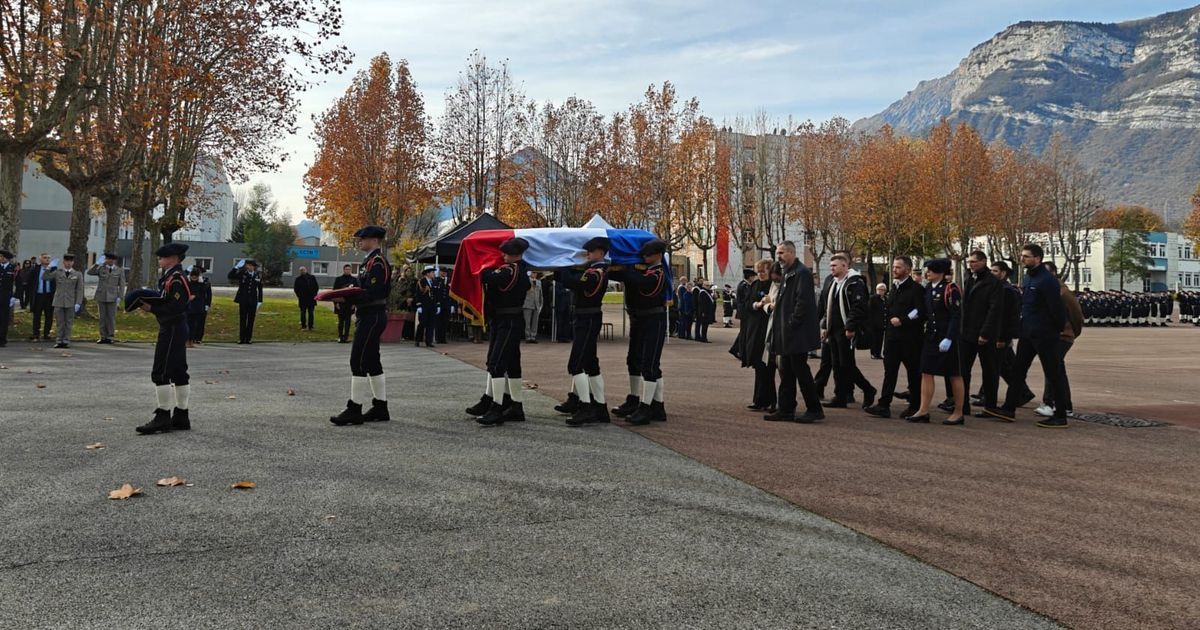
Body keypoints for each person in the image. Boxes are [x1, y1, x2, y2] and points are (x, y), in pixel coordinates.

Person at [985, 244, 1071, 428]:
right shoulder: (1028, 277)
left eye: (1026, 256)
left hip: (1045, 334)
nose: (1022, 259)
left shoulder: (1047, 280)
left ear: (1037, 258)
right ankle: (1009, 408)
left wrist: (1054, 331)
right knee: (1017, 371)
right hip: (1028, 333)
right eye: (1022, 256)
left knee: (1053, 374)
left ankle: (1061, 414)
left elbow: (1057, 310)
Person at [329, 226, 393, 426]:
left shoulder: (378, 262)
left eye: (362, 239)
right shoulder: (369, 262)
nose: (359, 242)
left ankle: (354, 408)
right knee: (372, 360)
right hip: (368, 314)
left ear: (374, 240)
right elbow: (362, 289)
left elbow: (374, 292)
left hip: (373, 315)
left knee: (358, 360)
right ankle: (380, 407)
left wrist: (350, 295)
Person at [132, 242, 194, 435]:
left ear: (172, 259)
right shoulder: (171, 276)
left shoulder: (176, 278)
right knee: (178, 370)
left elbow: (176, 307)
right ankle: (181, 415)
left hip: (173, 327)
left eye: (161, 257)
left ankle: (163, 415)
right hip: (175, 327)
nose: (159, 260)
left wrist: (152, 308)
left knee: (161, 370)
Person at [763, 241, 824, 423]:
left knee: (801, 372)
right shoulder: (788, 273)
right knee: (786, 372)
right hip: (786, 332)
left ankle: (814, 409)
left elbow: (802, 303)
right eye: (777, 253)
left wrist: (791, 323)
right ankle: (786, 409)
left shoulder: (802, 273)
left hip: (796, 333)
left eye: (781, 253)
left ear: (791, 252)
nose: (778, 257)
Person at [553, 236, 611, 426]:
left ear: (601, 253)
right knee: (590, 364)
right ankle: (600, 408)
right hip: (586, 318)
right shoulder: (594, 270)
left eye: (590, 251)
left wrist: (564, 263)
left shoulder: (596, 272)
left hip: (588, 319)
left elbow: (573, 282)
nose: (587, 254)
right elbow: (569, 280)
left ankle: (586, 407)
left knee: (576, 364)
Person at [475, 237, 532, 426]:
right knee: (512, 364)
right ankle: (516, 406)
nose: (502, 256)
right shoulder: (516, 269)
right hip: (505, 320)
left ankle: (497, 407)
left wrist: (486, 264)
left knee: (496, 363)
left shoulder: (512, 270)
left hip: (508, 321)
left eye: (505, 253)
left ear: (513, 254)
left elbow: (487, 277)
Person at [614, 238, 670, 426]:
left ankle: (647, 407)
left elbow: (641, 282)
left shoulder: (659, 273)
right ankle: (642, 401)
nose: (644, 257)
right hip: (638, 319)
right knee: (634, 360)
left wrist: (627, 268)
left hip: (653, 320)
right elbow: (627, 277)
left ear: (658, 255)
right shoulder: (642, 270)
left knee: (650, 365)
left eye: (648, 254)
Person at [903, 259, 965, 425]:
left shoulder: (950, 289)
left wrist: (950, 338)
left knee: (954, 374)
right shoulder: (929, 288)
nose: (926, 273)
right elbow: (926, 310)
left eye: (930, 270)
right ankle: (923, 410)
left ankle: (959, 412)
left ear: (940, 272)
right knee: (926, 372)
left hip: (947, 338)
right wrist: (916, 312)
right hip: (931, 336)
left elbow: (956, 316)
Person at [865, 256, 925, 419]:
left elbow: (920, 312)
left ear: (907, 269)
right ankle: (884, 405)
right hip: (892, 339)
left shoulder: (916, 289)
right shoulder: (894, 288)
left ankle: (915, 405)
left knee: (913, 373)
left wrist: (904, 320)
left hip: (910, 339)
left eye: (898, 267)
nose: (894, 269)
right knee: (889, 372)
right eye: (894, 267)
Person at [817, 254, 876, 409]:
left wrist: (850, 327)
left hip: (845, 329)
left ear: (845, 266)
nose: (832, 268)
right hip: (833, 329)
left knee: (847, 364)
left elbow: (858, 307)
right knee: (836, 364)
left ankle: (868, 389)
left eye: (835, 266)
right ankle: (840, 396)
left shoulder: (855, 282)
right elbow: (826, 305)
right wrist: (824, 325)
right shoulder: (832, 282)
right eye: (831, 266)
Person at [1034, 261, 1083, 419]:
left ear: (1053, 274)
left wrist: (1070, 332)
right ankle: (1065, 405)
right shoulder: (1044, 290)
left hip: (1062, 336)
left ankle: (1050, 403)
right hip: (1048, 334)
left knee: (1052, 369)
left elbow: (1076, 315)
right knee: (1058, 371)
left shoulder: (1063, 292)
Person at [958, 250, 1004, 417]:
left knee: (990, 371)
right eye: (969, 262)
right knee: (963, 370)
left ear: (984, 262)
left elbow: (994, 310)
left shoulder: (993, 282)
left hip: (985, 334)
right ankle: (962, 404)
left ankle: (990, 406)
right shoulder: (969, 278)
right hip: (967, 332)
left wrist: (985, 333)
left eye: (974, 262)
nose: (971, 265)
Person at [740, 259, 776, 412]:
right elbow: (747, 304)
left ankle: (771, 400)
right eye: (758, 272)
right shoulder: (754, 285)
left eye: (763, 272)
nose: (760, 275)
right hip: (755, 329)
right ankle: (759, 399)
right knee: (759, 366)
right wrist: (757, 305)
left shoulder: (773, 286)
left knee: (768, 367)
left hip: (768, 327)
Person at [87, 252, 126, 344]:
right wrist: (97, 264)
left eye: (112, 259)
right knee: (102, 317)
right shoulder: (101, 268)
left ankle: (110, 336)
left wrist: (120, 297)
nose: (110, 261)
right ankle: (103, 336)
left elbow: (122, 284)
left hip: (113, 296)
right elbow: (90, 272)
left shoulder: (119, 270)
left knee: (111, 318)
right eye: (108, 259)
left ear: (114, 260)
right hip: (101, 295)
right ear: (106, 259)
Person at [48, 254, 85, 349]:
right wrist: (49, 267)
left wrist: (78, 303)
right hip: (59, 301)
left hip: (71, 302)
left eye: (70, 261)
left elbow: (80, 289)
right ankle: (59, 340)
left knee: (68, 322)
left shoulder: (77, 274)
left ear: (73, 262)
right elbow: (45, 278)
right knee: (59, 323)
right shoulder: (58, 272)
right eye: (66, 261)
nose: (68, 263)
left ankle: (66, 340)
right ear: (63, 262)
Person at [228, 259, 263, 344]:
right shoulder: (242, 274)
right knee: (243, 319)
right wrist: (236, 267)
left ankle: (248, 338)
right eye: (248, 265)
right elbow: (230, 276)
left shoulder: (257, 275)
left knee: (251, 320)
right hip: (243, 300)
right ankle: (242, 338)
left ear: (254, 267)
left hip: (253, 300)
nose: (249, 267)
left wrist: (260, 301)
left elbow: (260, 289)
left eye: (251, 266)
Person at [29, 253, 55, 341]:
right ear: (40, 259)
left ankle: (46, 333)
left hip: (49, 295)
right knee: (37, 315)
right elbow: (30, 282)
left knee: (49, 315)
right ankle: (36, 334)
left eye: (48, 258)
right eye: (45, 258)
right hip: (38, 295)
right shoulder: (35, 269)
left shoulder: (53, 270)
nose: (47, 259)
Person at [332, 264, 358, 343]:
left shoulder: (354, 280)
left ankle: (346, 336)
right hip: (340, 303)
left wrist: (354, 304)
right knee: (341, 321)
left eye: (349, 269)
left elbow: (356, 293)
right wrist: (336, 303)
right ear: (343, 270)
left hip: (350, 303)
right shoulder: (338, 279)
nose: (348, 271)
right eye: (346, 269)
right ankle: (340, 336)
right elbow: (334, 292)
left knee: (348, 321)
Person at [186, 267, 211, 347]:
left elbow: (205, 293)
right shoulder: (188, 282)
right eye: (192, 277)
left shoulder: (203, 283)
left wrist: (201, 282)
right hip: (189, 306)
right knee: (188, 324)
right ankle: (187, 340)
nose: (194, 278)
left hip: (198, 306)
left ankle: (192, 340)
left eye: (195, 277)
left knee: (195, 325)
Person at [415, 266, 437, 347]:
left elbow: (436, 294)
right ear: (427, 273)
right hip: (424, 306)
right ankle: (418, 340)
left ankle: (429, 341)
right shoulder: (421, 282)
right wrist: (419, 305)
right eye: (432, 272)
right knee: (422, 323)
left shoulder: (434, 282)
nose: (434, 274)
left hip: (432, 306)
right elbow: (418, 294)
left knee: (431, 324)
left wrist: (437, 305)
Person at [293, 266, 319, 330]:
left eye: (303, 270)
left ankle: (311, 326)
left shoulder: (312, 278)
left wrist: (314, 295)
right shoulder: (298, 279)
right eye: (301, 270)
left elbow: (316, 287)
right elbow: (296, 289)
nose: (302, 271)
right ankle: (303, 325)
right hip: (303, 299)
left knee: (311, 312)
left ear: (306, 270)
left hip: (311, 298)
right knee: (303, 312)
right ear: (300, 271)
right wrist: (300, 296)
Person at [0, 249, 17, 347]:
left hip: (6, 297)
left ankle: (2, 339)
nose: (0, 258)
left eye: (2, 257)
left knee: (4, 318)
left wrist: (14, 297)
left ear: (7, 258)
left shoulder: (13, 269)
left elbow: (17, 283)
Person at [523, 271, 543, 343]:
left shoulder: (539, 282)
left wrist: (541, 304)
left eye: (536, 273)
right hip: (528, 304)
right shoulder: (527, 281)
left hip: (536, 304)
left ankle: (533, 336)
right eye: (533, 272)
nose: (535, 274)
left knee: (535, 322)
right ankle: (528, 337)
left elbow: (540, 294)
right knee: (527, 322)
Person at [868, 283, 886, 359]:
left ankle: (878, 353)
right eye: (880, 289)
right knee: (874, 339)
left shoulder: (885, 299)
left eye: (883, 290)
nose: (881, 291)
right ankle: (873, 353)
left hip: (882, 322)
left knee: (880, 339)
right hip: (874, 322)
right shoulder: (873, 298)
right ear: (877, 290)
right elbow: (869, 310)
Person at [434, 268, 452, 344]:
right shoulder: (437, 280)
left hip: (447, 304)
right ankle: (438, 338)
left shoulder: (450, 280)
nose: (444, 273)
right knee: (438, 322)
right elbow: (436, 293)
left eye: (445, 272)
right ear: (440, 272)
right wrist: (437, 304)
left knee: (445, 322)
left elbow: (452, 293)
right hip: (439, 304)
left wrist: (452, 305)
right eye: (442, 272)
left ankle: (443, 338)